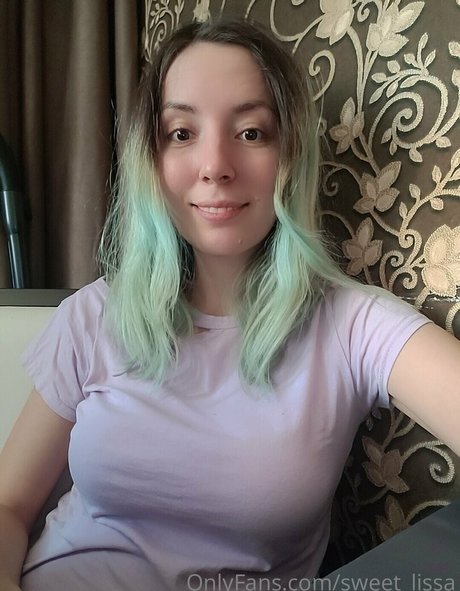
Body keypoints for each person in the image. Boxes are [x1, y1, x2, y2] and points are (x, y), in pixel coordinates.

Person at [0, 17, 459, 591]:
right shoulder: (93, 316)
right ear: (151, 159)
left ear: (290, 153)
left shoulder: (354, 326)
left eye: (250, 132)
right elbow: (8, 504)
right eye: (181, 133)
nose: (215, 165)